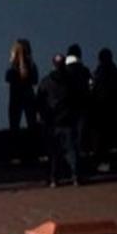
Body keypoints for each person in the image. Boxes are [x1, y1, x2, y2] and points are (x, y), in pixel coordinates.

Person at [37, 54, 82, 186]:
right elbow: (76, 99)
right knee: (71, 151)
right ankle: (75, 176)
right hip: (67, 120)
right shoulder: (71, 81)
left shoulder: (46, 81)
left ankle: (53, 179)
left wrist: (43, 116)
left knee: (53, 153)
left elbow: (40, 100)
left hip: (52, 122)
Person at [90, 48, 117, 172]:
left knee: (101, 140)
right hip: (116, 110)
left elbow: (92, 92)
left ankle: (102, 163)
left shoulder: (97, 74)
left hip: (100, 112)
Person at [5, 39, 39, 163]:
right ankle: (32, 154)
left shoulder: (12, 68)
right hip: (28, 97)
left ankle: (14, 154)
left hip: (15, 98)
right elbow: (35, 80)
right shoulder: (31, 65)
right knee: (32, 125)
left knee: (14, 127)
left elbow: (7, 78)